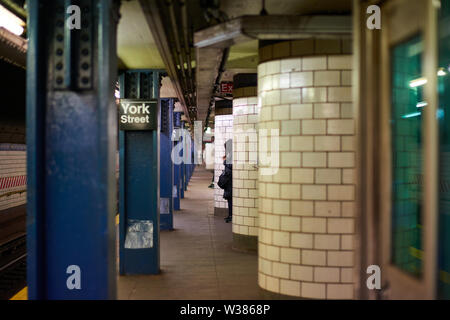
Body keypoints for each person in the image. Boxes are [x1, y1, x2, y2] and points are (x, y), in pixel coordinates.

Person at [222, 139, 232, 223]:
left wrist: (225, 161)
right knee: (229, 198)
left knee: (230, 198)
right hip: (228, 180)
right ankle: (230, 215)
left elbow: (230, 166)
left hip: (230, 180)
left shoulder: (232, 155)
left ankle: (231, 215)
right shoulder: (230, 155)